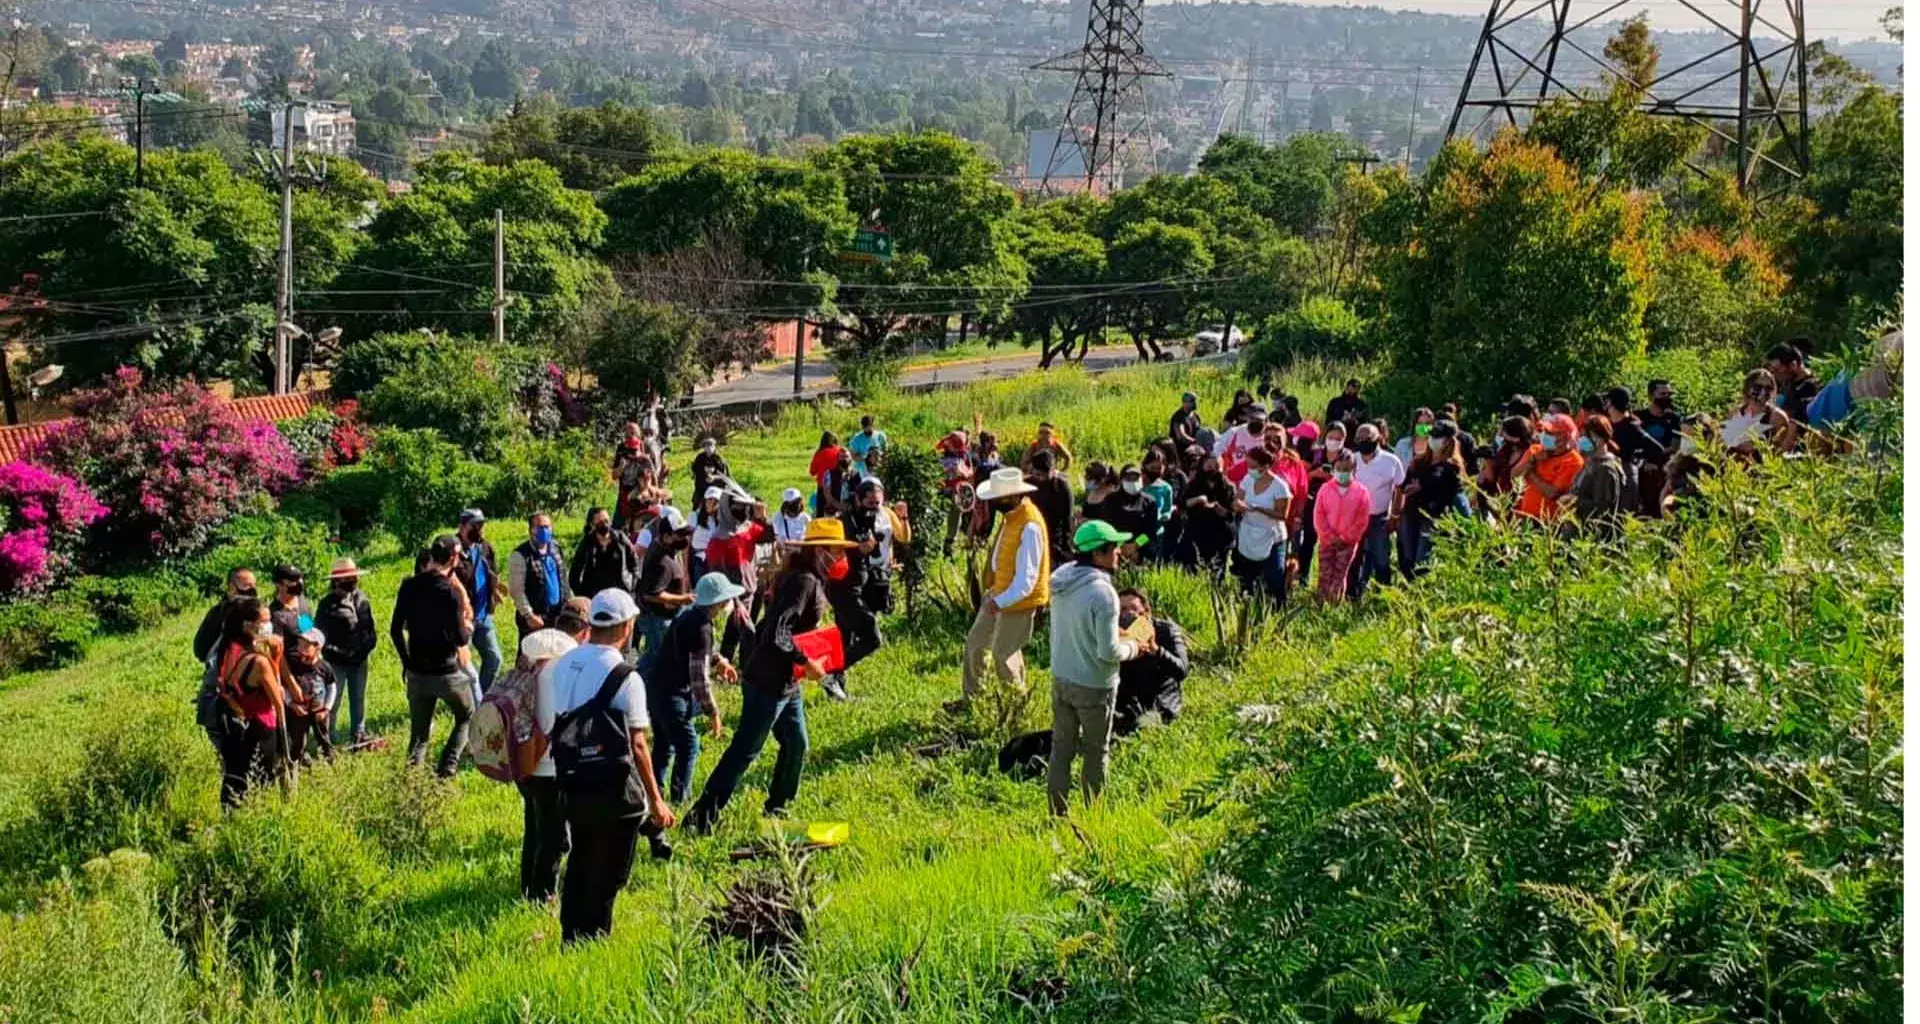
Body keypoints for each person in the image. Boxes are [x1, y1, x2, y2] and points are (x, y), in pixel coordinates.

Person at [685, 519, 854, 833]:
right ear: (820, 551)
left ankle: (777, 809)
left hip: (787, 681)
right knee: (745, 750)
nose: (841, 556)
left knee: (796, 743)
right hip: (769, 680)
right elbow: (778, 633)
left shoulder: (811, 578)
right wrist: (807, 661)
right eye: (836, 550)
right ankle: (700, 819)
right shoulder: (804, 582)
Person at [548, 589, 674, 941]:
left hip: (572, 780)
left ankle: (570, 936)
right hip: (615, 787)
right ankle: (595, 937)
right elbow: (637, 744)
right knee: (611, 874)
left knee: (582, 859)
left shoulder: (564, 664)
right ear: (628, 626)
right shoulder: (626, 676)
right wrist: (656, 799)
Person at [1046, 521, 1148, 816]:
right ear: (1099, 553)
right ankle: (1094, 815)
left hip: (1062, 677)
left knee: (1061, 749)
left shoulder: (1061, 578)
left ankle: (1057, 815)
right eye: (1113, 547)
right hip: (1094, 685)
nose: (1118, 552)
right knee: (1096, 752)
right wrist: (1134, 648)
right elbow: (1108, 653)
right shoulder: (1103, 594)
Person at [957, 467, 1050, 710]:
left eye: (997, 498)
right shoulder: (1012, 518)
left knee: (1004, 656)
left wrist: (999, 601)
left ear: (1012, 496)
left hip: (1017, 602)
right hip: (998, 593)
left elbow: (1027, 580)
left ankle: (1016, 710)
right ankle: (973, 701)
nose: (993, 503)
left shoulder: (1029, 525)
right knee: (975, 644)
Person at [649, 572, 740, 805]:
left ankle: (655, 794)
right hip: (674, 696)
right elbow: (699, 678)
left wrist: (720, 661)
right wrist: (713, 712)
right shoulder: (702, 628)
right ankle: (680, 799)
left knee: (663, 746)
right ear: (718, 602)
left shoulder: (687, 615)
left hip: (656, 690)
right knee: (688, 746)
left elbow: (696, 653)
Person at [390, 535, 475, 778]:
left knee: (419, 737)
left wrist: (407, 663)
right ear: (453, 558)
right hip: (447, 673)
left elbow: (395, 630)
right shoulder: (450, 592)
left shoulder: (409, 586)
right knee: (466, 716)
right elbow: (461, 639)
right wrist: (468, 626)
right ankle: (447, 769)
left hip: (417, 673)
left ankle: (412, 784)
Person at [513, 627, 579, 903]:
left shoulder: (526, 676)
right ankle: (543, 893)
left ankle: (528, 884)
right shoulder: (557, 678)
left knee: (535, 830)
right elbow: (555, 724)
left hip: (525, 764)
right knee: (553, 838)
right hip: (550, 767)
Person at [211, 597, 290, 808]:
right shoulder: (258, 660)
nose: (268, 625)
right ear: (248, 624)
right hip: (261, 724)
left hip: (237, 721)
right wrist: (277, 656)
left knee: (236, 776)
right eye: (264, 620)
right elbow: (277, 697)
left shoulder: (230, 647)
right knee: (260, 780)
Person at [830, 477, 893, 699]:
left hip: (858, 586)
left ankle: (837, 688)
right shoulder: (844, 522)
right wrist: (859, 550)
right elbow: (839, 553)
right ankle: (832, 674)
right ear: (857, 499)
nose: (874, 508)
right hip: (843, 589)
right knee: (872, 638)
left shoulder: (868, 520)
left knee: (843, 639)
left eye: (878, 504)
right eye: (870, 503)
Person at [315, 558, 377, 746]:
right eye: (348, 578)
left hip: (359, 660)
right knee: (333, 700)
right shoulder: (327, 605)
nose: (353, 580)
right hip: (336, 662)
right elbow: (320, 636)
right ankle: (328, 738)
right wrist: (340, 653)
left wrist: (365, 648)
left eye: (354, 577)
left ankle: (359, 733)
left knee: (358, 697)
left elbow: (370, 629)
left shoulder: (361, 599)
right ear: (337, 581)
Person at [1112, 589, 1189, 736]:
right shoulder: (1116, 636)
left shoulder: (1166, 631)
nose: (1126, 614)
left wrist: (1157, 651)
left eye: (1133, 609)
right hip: (1127, 701)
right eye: (1121, 609)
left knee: (1140, 726)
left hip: (1161, 701)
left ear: (1146, 612)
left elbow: (1182, 670)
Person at [1400, 420, 1467, 577]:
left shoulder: (1452, 468)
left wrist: (1423, 486)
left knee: (1422, 562)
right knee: (1407, 559)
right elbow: (1405, 485)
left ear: (1448, 441)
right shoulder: (1419, 462)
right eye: (1432, 436)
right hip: (1412, 514)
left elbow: (1448, 493)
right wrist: (1410, 488)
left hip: (1433, 518)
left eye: (1438, 437)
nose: (1432, 440)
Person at [1347, 423, 1404, 602]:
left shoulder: (1391, 461)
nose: (1364, 443)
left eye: (1368, 439)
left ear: (1378, 439)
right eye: (1360, 440)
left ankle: (1383, 596)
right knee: (1354, 558)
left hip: (1379, 517)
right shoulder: (1352, 459)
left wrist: (1395, 515)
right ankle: (1352, 595)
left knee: (1381, 558)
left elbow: (1400, 489)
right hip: (1355, 517)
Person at [452, 509, 505, 695]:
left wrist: (495, 590)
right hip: (462, 618)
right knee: (463, 665)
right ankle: (467, 702)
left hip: (483, 614)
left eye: (481, 525)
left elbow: (493, 572)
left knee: (494, 658)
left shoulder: (484, 548)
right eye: (474, 525)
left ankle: (482, 696)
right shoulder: (453, 551)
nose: (479, 529)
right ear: (462, 526)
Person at [634, 507, 695, 666]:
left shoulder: (664, 547)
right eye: (679, 534)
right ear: (667, 536)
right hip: (658, 619)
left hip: (662, 616)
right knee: (657, 657)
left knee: (656, 654)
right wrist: (682, 599)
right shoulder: (661, 561)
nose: (684, 538)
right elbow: (651, 594)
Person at [1231, 446, 1292, 606]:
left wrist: (1260, 509)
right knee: (1247, 576)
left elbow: (1282, 515)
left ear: (1265, 467)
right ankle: (1247, 606)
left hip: (1272, 537)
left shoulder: (1280, 486)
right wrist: (1239, 505)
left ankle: (1278, 607)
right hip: (1250, 533)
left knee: (1274, 577)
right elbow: (1238, 500)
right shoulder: (1247, 479)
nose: (1250, 470)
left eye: (1253, 466)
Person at [1311, 452, 1370, 603]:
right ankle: (1320, 604)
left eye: (1347, 469)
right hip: (1326, 541)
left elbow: (1361, 520)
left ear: (1354, 470)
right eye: (1339, 468)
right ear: (1333, 469)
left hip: (1348, 543)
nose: (1342, 472)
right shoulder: (1325, 489)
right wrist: (1328, 535)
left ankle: (1334, 604)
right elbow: (1319, 514)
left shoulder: (1361, 492)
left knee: (1339, 574)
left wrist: (1346, 537)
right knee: (1324, 573)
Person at [1600, 387, 1667, 517]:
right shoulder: (1610, 425)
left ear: (1611, 403)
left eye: (1607, 400)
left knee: (1623, 515)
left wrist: (1639, 460)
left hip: (1627, 474)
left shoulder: (1632, 425)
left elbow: (1657, 448)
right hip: (1611, 472)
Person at [509, 513, 573, 638]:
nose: (544, 530)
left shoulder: (556, 548)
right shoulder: (521, 555)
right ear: (530, 530)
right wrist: (529, 615)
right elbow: (516, 591)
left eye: (547, 526)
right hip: (536, 618)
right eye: (539, 527)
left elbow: (563, 576)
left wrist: (569, 602)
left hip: (558, 614)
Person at [1513, 413, 1585, 524]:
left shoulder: (1574, 461)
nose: (1544, 435)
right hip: (1524, 517)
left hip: (1548, 524)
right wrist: (1532, 460)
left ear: (1564, 437)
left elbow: (1552, 493)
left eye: (1550, 433)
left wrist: (1530, 474)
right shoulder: (1536, 450)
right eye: (1545, 431)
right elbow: (1513, 474)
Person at [283, 628, 336, 765]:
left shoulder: (324, 667)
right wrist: (291, 704)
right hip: (299, 712)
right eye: (299, 645)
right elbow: (285, 689)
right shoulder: (294, 667)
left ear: (317, 647)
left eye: (306, 646)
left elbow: (332, 687)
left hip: (319, 713)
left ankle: (330, 761)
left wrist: (327, 709)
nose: (301, 650)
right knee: (298, 741)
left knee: (323, 738)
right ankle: (296, 764)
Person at [1571, 416, 1627, 536]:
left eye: (1585, 436)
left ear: (1599, 439)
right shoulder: (1591, 462)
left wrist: (1574, 502)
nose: (1581, 440)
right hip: (1580, 529)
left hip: (1593, 535)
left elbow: (1602, 508)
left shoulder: (1606, 469)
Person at [1721, 368, 1799, 457]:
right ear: (1748, 388)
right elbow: (1725, 440)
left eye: (1768, 388)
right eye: (1758, 387)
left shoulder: (1777, 416)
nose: (1763, 391)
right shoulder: (1736, 412)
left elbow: (1781, 451)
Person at [1179, 453, 1236, 569]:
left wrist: (1221, 510)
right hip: (1196, 533)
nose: (1212, 470)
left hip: (1220, 535)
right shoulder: (1193, 485)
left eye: (1216, 466)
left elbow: (1232, 513)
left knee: (1216, 571)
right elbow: (1182, 504)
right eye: (1209, 466)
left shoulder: (1229, 487)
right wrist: (1197, 500)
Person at [572, 506, 639, 598]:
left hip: (621, 593)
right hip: (596, 595)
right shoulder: (587, 543)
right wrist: (583, 597)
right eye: (600, 522)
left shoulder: (620, 539)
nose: (605, 524)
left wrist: (632, 587)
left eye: (607, 520)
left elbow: (635, 564)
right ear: (592, 525)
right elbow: (574, 573)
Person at [195, 567, 257, 665]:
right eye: (246, 586)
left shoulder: (257, 611)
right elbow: (200, 648)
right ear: (232, 587)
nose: (252, 591)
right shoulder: (218, 613)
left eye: (254, 586)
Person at [1024, 449, 1075, 566]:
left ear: (1053, 470)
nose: (1041, 478)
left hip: (1054, 541)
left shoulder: (1062, 488)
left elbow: (1067, 520)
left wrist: (1065, 549)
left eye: (1044, 475)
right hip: (1031, 538)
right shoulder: (1028, 485)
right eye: (1037, 474)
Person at [1480, 416, 1534, 505]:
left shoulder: (1530, 453)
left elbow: (1515, 475)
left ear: (1516, 437)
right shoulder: (1505, 449)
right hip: (1500, 498)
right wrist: (1487, 459)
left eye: (1504, 433)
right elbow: (1493, 476)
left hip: (1519, 500)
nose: (1501, 435)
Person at [1765, 340, 1821, 423]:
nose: (1774, 374)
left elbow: (1791, 416)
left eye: (1777, 369)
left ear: (1793, 365)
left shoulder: (1809, 386)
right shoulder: (1790, 381)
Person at [1213, 403, 1267, 481]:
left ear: (1265, 420)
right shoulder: (1235, 433)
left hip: (1259, 479)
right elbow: (1217, 449)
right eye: (1252, 418)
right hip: (1235, 478)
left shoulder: (1270, 437)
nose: (1255, 422)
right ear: (1247, 418)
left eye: (1259, 420)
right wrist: (1219, 465)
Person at [267, 565, 313, 644]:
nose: (298, 583)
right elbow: (278, 647)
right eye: (293, 580)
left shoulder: (301, 600)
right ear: (279, 585)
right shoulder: (275, 613)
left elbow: (308, 629)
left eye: (299, 579)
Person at [817, 448, 858, 517]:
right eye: (841, 456)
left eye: (846, 456)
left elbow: (858, 493)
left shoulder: (856, 474)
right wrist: (840, 507)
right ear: (838, 459)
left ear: (851, 459)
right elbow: (828, 496)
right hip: (833, 509)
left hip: (851, 509)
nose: (844, 459)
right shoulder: (829, 474)